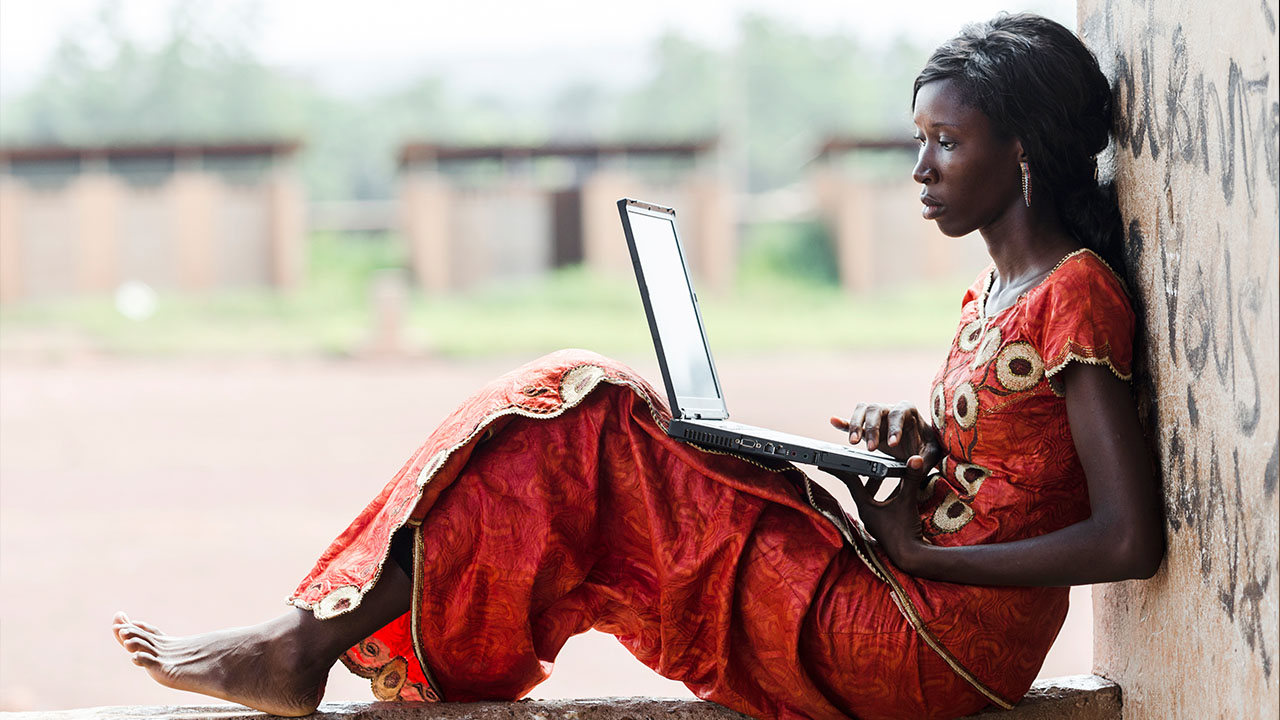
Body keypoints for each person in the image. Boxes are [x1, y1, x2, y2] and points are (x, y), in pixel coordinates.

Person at [111, 13, 1163, 720]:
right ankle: (310, 639)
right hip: (903, 582)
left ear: (1019, 152)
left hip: (928, 641)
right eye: (916, 141)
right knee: (594, 426)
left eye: (944, 143)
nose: (918, 170)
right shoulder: (1001, 288)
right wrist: (917, 447)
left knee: (586, 405)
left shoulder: (1075, 293)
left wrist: (928, 557)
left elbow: (1123, 535)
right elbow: (1013, 469)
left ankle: (307, 638)